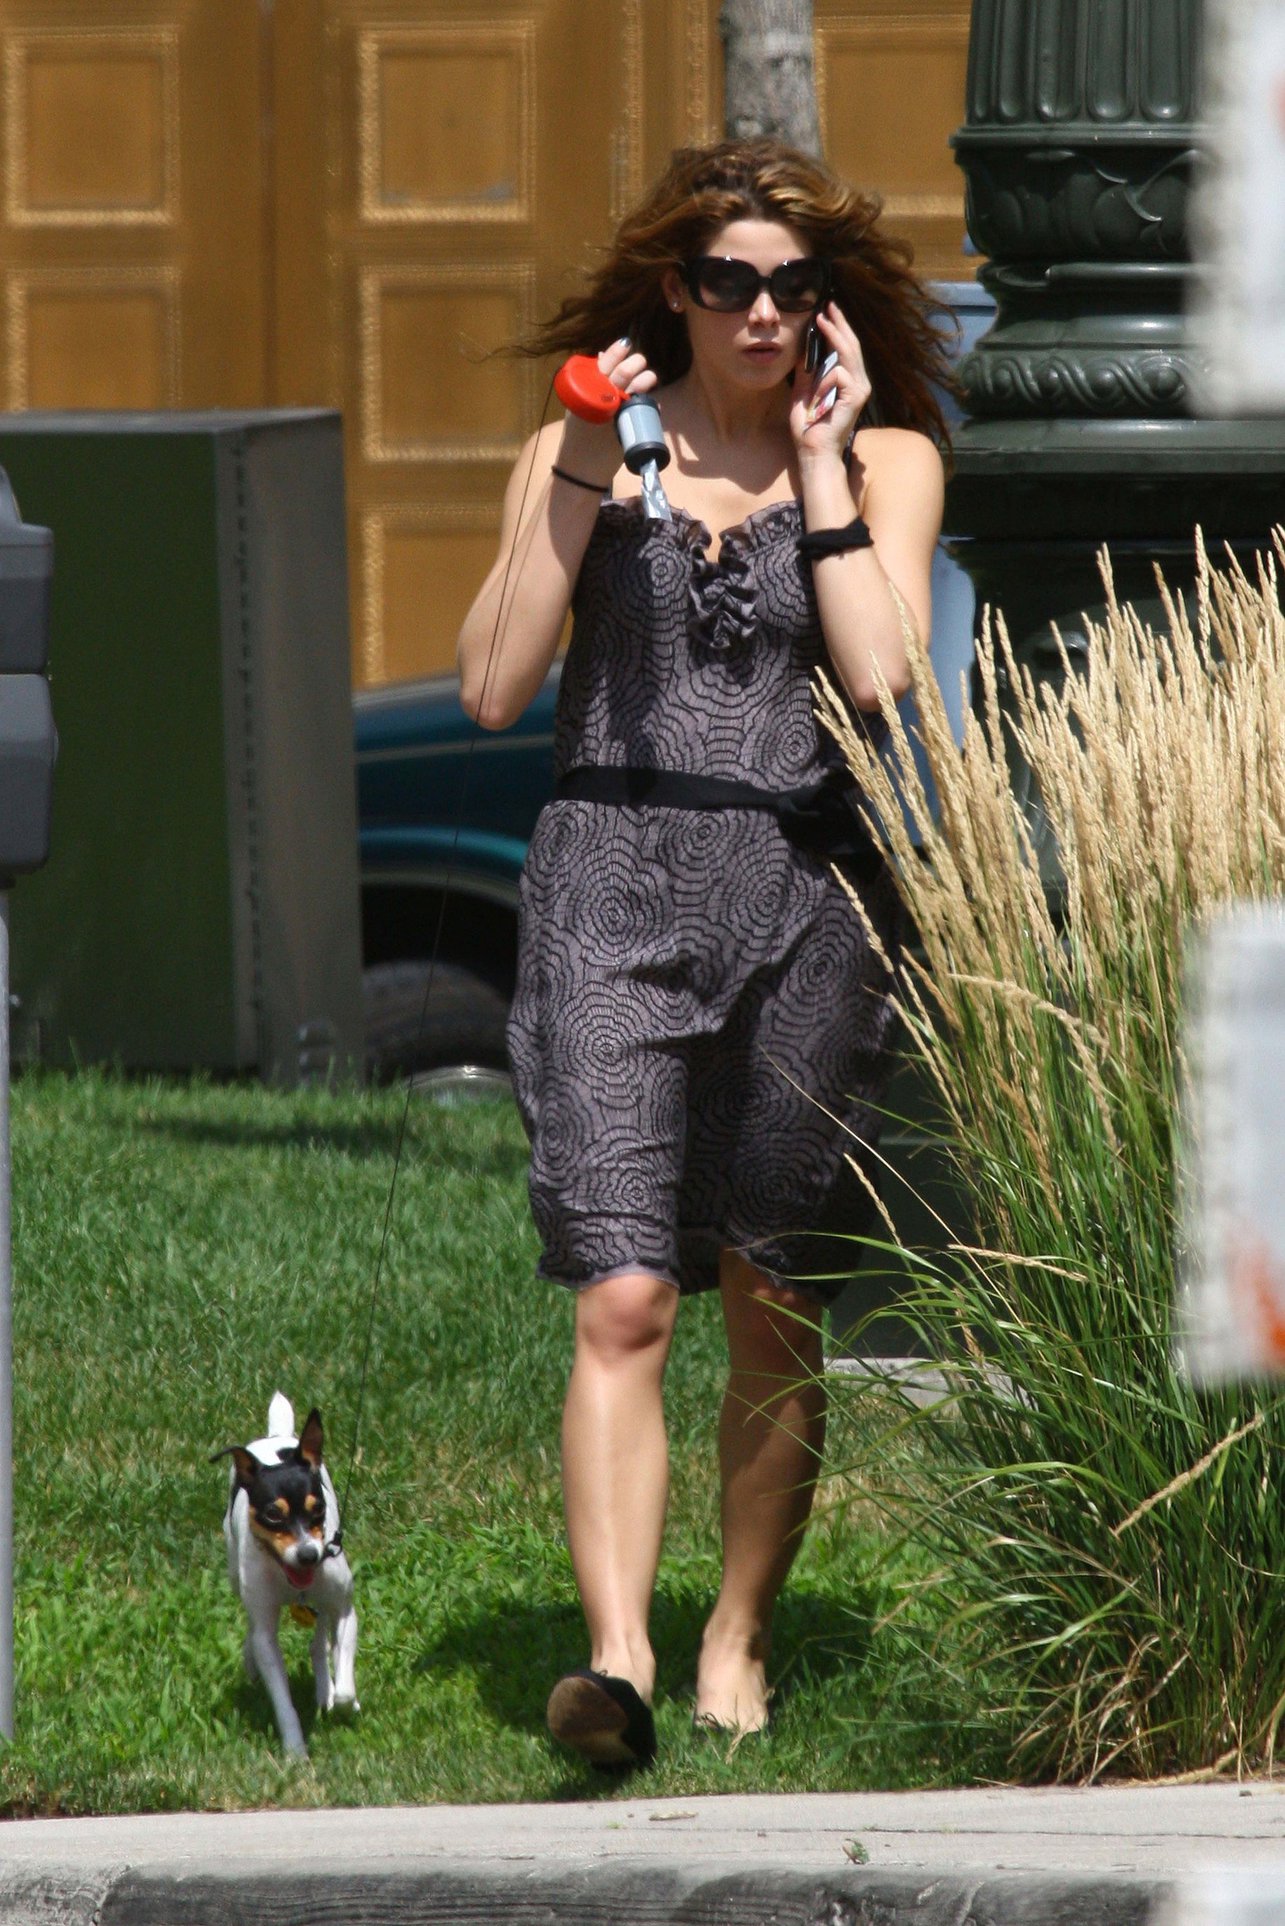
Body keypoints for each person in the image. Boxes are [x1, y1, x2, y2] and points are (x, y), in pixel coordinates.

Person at [457, 138, 951, 1768]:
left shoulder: (884, 457)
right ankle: (617, 1662)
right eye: (729, 280)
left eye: (793, 287)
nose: (761, 311)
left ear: (825, 306)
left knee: (771, 1295)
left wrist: (819, 471)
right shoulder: (582, 446)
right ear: (675, 289)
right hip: (609, 883)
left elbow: (879, 681)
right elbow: (492, 686)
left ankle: (735, 1631)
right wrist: (577, 461)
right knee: (620, 1292)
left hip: (808, 901)